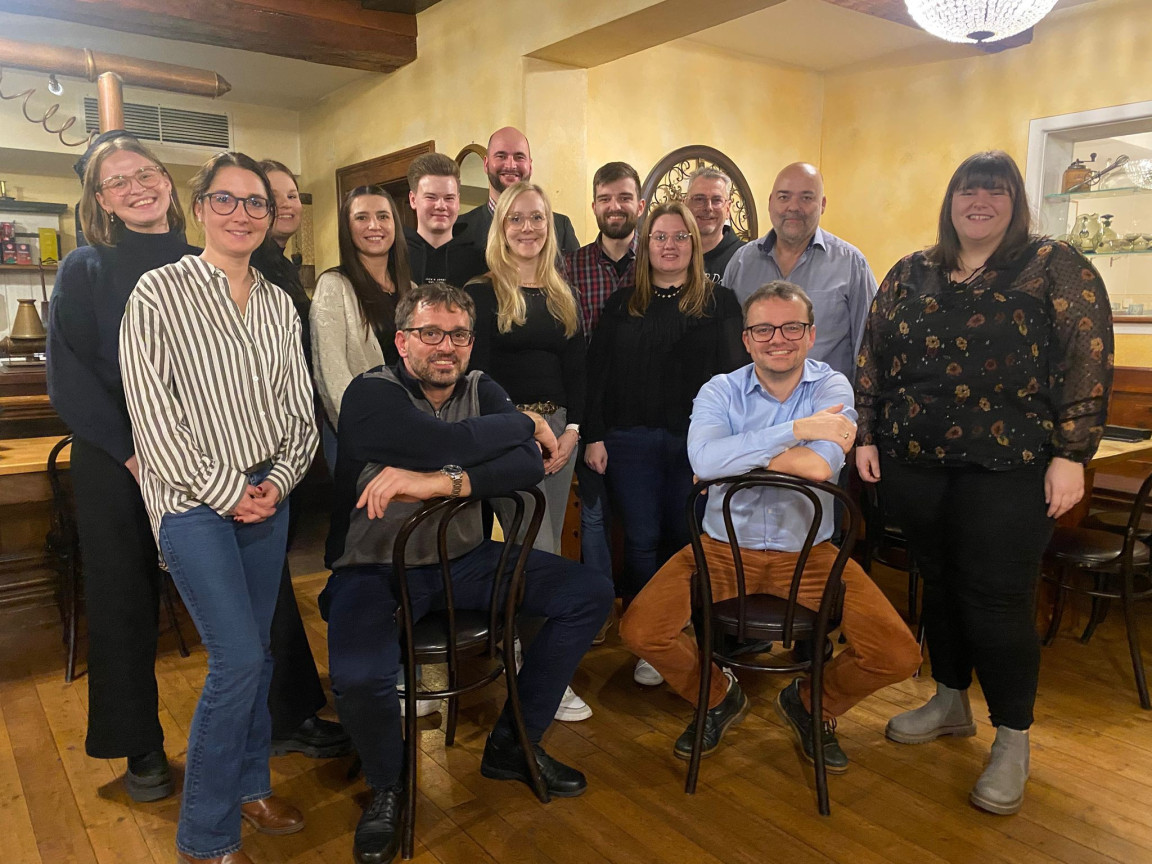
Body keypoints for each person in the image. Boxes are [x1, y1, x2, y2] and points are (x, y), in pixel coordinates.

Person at [854, 150, 1114, 816]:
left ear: (1014, 201)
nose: (980, 201)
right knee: (938, 585)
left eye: (994, 192)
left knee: (997, 600)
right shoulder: (912, 271)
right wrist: (867, 433)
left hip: (1014, 467)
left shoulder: (1055, 266)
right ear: (950, 200)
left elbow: (1087, 356)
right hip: (916, 460)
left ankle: (1013, 737)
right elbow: (874, 356)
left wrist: (1073, 453)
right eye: (969, 190)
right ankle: (948, 699)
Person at [320, 283, 614, 864]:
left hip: (465, 562)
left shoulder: (482, 387)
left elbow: (528, 465)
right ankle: (389, 783)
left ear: (471, 342)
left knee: (589, 593)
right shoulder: (368, 393)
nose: (444, 347)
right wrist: (525, 422)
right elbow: (434, 440)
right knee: (357, 677)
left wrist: (440, 482)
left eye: (457, 335)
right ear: (403, 341)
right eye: (430, 334)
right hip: (373, 569)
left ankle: (512, 742)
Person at [620, 281, 921, 767]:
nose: (777, 338)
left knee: (897, 655)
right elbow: (702, 457)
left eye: (790, 327)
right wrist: (798, 431)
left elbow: (820, 467)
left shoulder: (832, 386)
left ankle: (809, 703)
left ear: (810, 334)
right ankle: (717, 695)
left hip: (809, 554)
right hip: (720, 548)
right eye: (763, 328)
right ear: (746, 338)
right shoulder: (720, 389)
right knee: (639, 631)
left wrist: (733, 458)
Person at [120, 151, 318, 864]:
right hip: (191, 501)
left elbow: (300, 411)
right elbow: (154, 418)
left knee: (258, 655)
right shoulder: (157, 294)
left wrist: (280, 480)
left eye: (256, 204)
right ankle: (205, 838)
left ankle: (251, 783)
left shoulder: (276, 301)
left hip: (268, 493)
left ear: (271, 218)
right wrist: (229, 491)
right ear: (198, 208)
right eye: (227, 201)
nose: (242, 214)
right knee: (234, 659)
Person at [47, 134, 193, 803]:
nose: (136, 187)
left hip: (199, 456)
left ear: (166, 180)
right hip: (115, 460)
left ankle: (284, 716)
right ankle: (142, 748)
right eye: (117, 182)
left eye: (146, 173)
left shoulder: (205, 262)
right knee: (123, 602)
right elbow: (67, 379)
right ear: (100, 201)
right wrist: (134, 452)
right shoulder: (85, 268)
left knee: (247, 589)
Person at [584, 201, 744, 686]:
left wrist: (730, 448)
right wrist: (593, 434)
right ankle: (645, 638)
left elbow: (737, 380)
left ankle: (680, 630)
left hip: (696, 446)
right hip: (628, 442)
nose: (669, 245)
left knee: (687, 541)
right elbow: (597, 377)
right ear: (645, 245)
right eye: (660, 237)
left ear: (694, 245)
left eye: (679, 237)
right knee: (640, 542)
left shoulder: (721, 304)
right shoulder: (621, 303)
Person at [249, 159, 352, 760]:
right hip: (253, 451)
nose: (286, 205)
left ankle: (288, 707)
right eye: (273, 196)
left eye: (291, 196)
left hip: (283, 444)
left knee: (276, 585)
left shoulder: (280, 266)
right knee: (265, 593)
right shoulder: (254, 266)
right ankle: (281, 717)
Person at [466, 181, 585, 555]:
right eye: (515, 219)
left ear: (550, 225)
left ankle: (535, 614)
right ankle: (523, 614)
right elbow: (477, 377)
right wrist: (519, 425)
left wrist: (572, 432)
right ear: (501, 227)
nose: (527, 227)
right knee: (536, 546)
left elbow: (578, 370)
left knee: (548, 543)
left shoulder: (564, 294)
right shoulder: (481, 293)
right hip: (509, 434)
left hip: (561, 434)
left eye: (537, 217)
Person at [563, 161, 647, 639]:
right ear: (594, 205)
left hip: (641, 412)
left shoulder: (656, 263)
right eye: (605, 198)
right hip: (589, 408)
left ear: (639, 204)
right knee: (592, 516)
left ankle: (642, 613)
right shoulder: (570, 266)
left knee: (640, 519)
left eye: (624, 197)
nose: (615, 206)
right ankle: (597, 611)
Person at [722, 162, 876, 381]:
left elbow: (869, 348)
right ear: (770, 202)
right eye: (784, 197)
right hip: (752, 408)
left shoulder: (852, 265)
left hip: (825, 407)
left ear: (822, 204)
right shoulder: (741, 263)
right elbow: (726, 343)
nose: (793, 207)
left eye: (806, 198)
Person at [311, 185, 412, 470]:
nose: (374, 226)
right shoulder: (334, 287)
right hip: (361, 436)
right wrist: (371, 435)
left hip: (412, 430)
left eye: (383, 216)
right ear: (347, 227)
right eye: (361, 218)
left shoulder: (411, 289)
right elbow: (332, 376)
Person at [456, 126, 580, 256]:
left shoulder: (560, 228)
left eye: (519, 157)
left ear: (530, 165)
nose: (510, 165)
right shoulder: (460, 230)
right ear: (486, 164)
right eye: (501, 156)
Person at [404, 151, 487, 286]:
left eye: (449, 198)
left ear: (458, 201)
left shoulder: (480, 261)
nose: (441, 206)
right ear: (413, 200)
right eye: (431, 197)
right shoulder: (396, 257)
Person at [685, 166, 745, 285]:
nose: (708, 207)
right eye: (699, 199)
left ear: (727, 209)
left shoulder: (745, 257)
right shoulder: (673, 254)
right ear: (685, 205)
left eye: (717, 200)